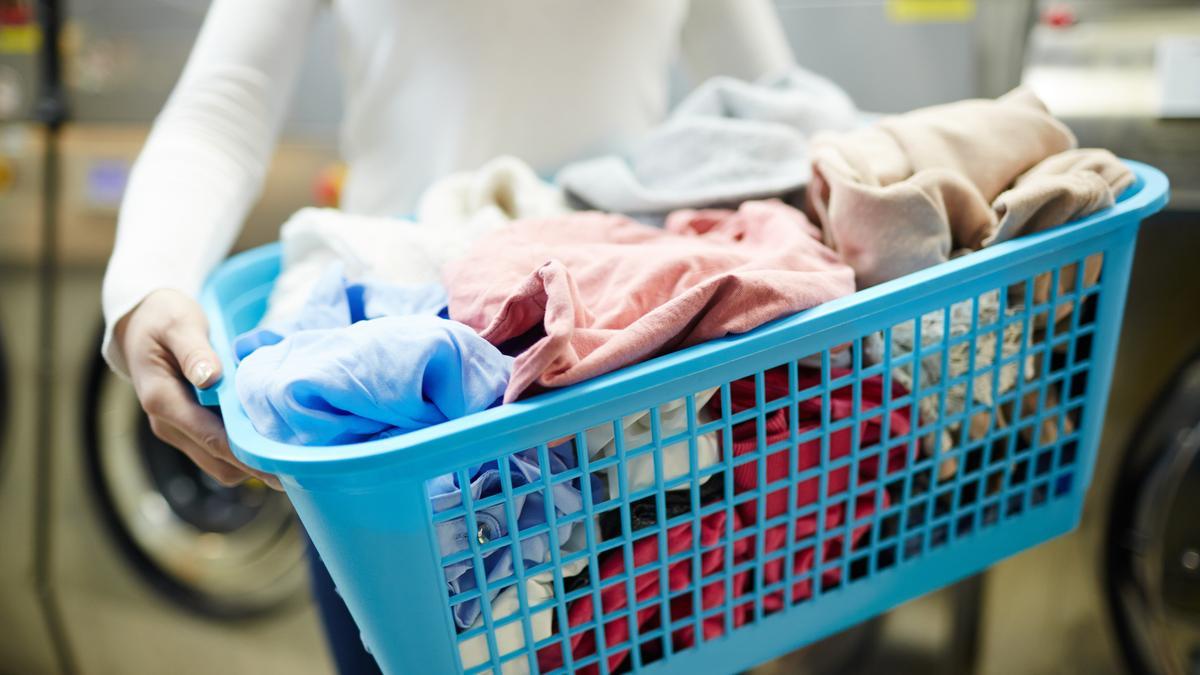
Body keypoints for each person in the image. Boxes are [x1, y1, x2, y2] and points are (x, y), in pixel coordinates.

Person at [100, 1, 796, 671]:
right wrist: (145, 285)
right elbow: (225, 105)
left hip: (634, 362)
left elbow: (774, 100)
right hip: (384, 413)